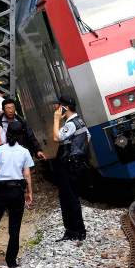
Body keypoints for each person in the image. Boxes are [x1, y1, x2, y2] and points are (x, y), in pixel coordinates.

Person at [0, 121, 34, 268]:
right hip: (17, 192)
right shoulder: (24, 151)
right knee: (14, 227)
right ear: (21, 134)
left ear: (7, 132)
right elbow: (27, 175)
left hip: (0, 192)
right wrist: (29, 192)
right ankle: (11, 261)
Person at [52, 95, 89, 241]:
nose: (56, 109)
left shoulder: (71, 124)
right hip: (76, 163)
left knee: (69, 197)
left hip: (68, 165)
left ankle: (76, 231)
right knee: (70, 196)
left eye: (58, 106)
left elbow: (56, 138)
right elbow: (88, 137)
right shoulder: (80, 121)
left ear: (64, 108)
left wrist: (56, 119)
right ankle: (75, 230)